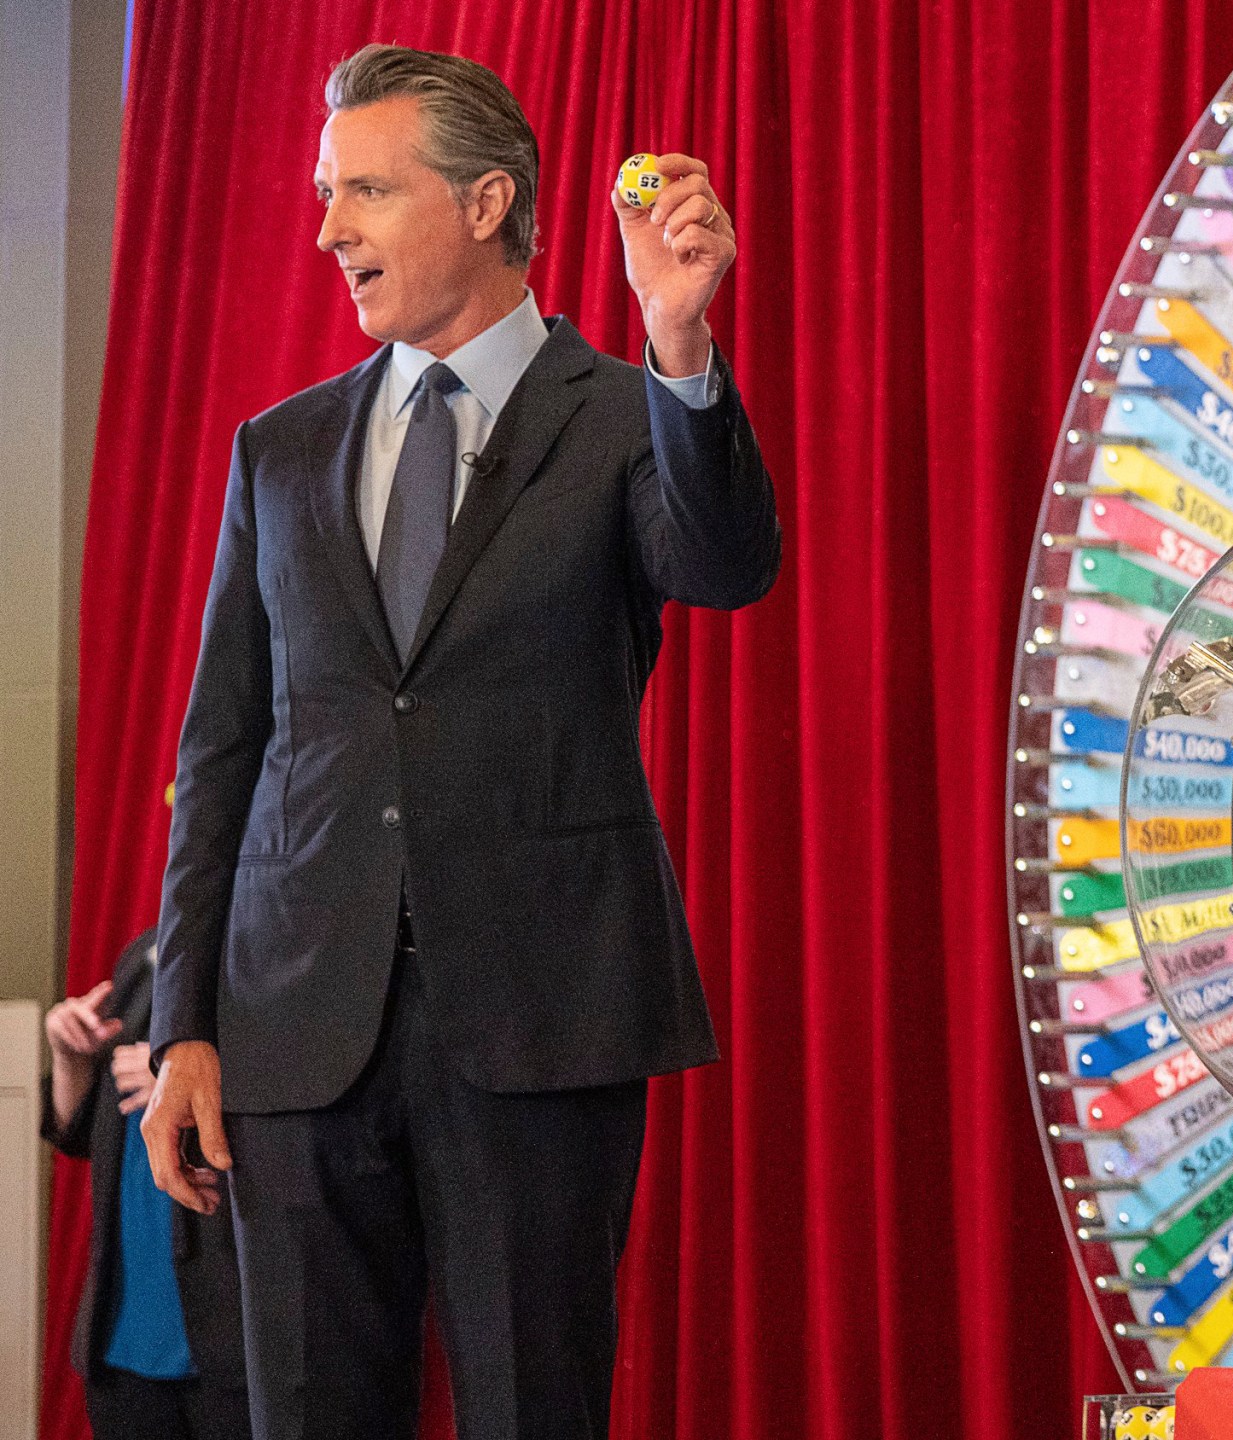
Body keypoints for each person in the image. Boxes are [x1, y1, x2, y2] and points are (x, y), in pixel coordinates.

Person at [140, 43, 780, 1440]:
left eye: (365, 191)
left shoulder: (623, 413)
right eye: (326, 194)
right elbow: (227, 747)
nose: (328, 229)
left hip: (541, 1020)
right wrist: (182, 1023)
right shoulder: (280, 448)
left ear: (488, 201)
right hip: (297, 1029)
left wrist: (679, 343)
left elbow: (725, 567)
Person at [43, 926, 249, 1440]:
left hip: (233, 1343)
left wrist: (189, 1088)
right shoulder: (146, 951)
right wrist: (69, 1055)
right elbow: (79, 1132)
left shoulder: (271, 946)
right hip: (124, 1335)